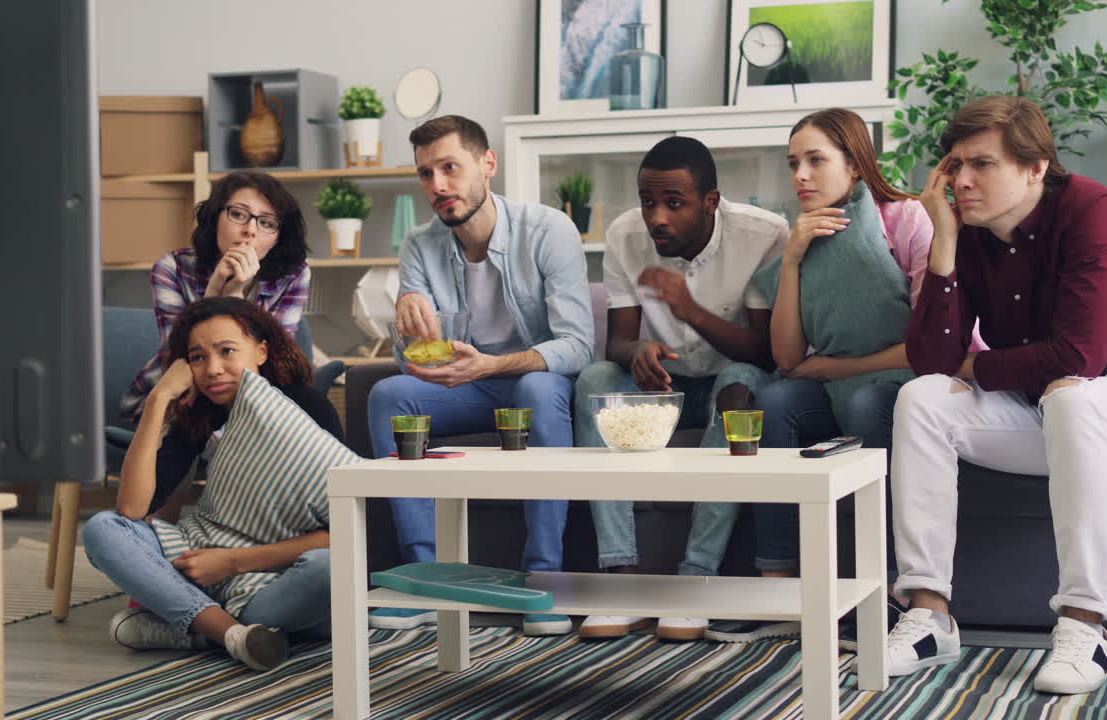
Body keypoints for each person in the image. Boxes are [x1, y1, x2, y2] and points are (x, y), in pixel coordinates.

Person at [885, 95, 1107, 695]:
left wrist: (977, 364)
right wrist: (944, 240)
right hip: (1040, 413)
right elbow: (933, 362)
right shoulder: (968, 232)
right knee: (921, 399)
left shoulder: (1091, 210)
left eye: (983, 164)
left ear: (1035, 167)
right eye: (955, 165)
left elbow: (1078, 358)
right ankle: (929, 616)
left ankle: (1085, 626)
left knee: (1072, 396)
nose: (962, 180)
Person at [704, 108, 985, 644]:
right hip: (831, 387)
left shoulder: (905, 220)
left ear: (855, 164)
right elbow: (788, 358)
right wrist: (793, 258)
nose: (800, 176)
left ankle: (886, 594)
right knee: (776, 400)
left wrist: (836, 366)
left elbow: (934, 345)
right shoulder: (802, 234)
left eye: (815, 160)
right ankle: (779, 590)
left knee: (867, 405)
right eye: (793, 164)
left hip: (910, 381)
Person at [366, 115, 595, 636]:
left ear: (487, 164)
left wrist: (493, 364)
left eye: (450, 167)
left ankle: (544, 580)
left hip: (535, 382)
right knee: (388, 396)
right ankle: (423, 579)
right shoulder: (420, 244)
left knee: (537, 388)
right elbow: (414, 361)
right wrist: (406, 324)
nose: (438, 185)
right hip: (467, 386)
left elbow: (579, 346)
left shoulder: (548, 230)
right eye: (426, 173)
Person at [573, 136, 786, 642]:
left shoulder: (763, 235)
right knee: (595, 380)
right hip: (666, 388)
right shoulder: (625, 235)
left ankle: (696, 580)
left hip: (732, 378)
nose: (657, 218)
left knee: (740, 385)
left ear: (711, 201)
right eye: (648, 202)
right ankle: (621, 580)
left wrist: (689, 310)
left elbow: (765, 352)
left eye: (673, 203)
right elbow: (617, 342)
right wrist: (636, 353)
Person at [84, 297, 354, 672]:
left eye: (227, 351)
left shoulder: (305, 407)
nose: (212, 369)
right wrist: (159, 399)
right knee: (102, 529)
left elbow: (342, 534)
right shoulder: (200, 415)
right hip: (200, 559)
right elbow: (132, 509)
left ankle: (195, 628)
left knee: (329, 567)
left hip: (271, 578)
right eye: (197, 357)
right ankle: (234, 635)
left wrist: (230, 562)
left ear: (261, 351)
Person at [120, 171, 311, 421]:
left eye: (266, 223)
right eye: (238, 215)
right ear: (214, 218)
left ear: (277, 239)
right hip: (180, 398)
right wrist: (213, 295)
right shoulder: (173, 268)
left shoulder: (293, 274)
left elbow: (275, 360)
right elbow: (181, 357)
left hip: (256, 398)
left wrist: (233, 296)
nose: (250, 230)